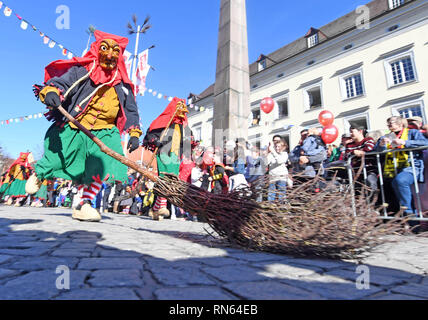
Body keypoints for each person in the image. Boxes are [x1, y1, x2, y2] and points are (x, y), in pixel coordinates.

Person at [27, 30, 142, 222]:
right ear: (98, 50)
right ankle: (40, 173)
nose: (111, 55)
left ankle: (84, 204)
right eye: (106, 49)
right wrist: (51, 92)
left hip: (106, 131)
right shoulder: (84, 71)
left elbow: (131, 110)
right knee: (57, 159)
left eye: (116, 52)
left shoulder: (123, 85)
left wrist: (134, 133)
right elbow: (61, 82)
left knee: (105, 166)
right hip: (76, 125)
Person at [376, 116, 428, 229]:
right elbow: (376, 151)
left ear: (400, 124)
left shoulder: (412, 132)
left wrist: (405, 142)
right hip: (391, 170)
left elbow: (424, 142)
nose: (389, 125)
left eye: (391, 123)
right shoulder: (386, 136)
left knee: (400, 181)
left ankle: (411, 218)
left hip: (411, 167)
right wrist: (381, 145)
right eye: (388, 123)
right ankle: (404, 221)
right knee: (393, 186)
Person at [143, 97, 190, 220]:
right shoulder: (164, 120)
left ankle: (156, 209)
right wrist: (155, 140)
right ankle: (162, 206)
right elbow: (151, 132)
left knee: (171, 181)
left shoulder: (183, 126)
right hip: (164, 152)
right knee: (165, 178)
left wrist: (189, 145)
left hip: (175, 156)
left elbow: (184, 142)